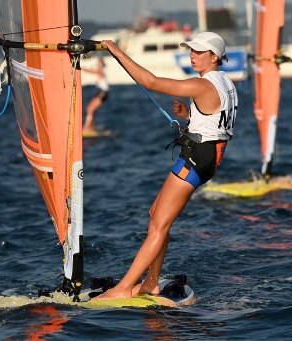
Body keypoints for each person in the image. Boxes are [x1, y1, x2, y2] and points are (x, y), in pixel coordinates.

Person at [94, 32, 238, 300]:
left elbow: (151, 81)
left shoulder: (203, 84)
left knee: (158, 225)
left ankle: (124, 288)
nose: (192, 55)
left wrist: (115, 51)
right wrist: (189, 115)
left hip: (198, 157)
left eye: (199, 52)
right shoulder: (225, 82)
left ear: (214, 57)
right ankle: (150, 283)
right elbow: (218, 121)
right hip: (206, 156)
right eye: (191, 50)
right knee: (156, 215)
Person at [82, 58, 109, 134]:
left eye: (99, 64)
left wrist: (80, 67)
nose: (97, 65)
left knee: (90, 110)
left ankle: (87, 128)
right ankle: (91, 127)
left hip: (103, 93)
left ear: (102, 65)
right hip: (100, 92)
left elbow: (90, 71)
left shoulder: (100, 71)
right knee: (89, 109)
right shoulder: (100, 71)